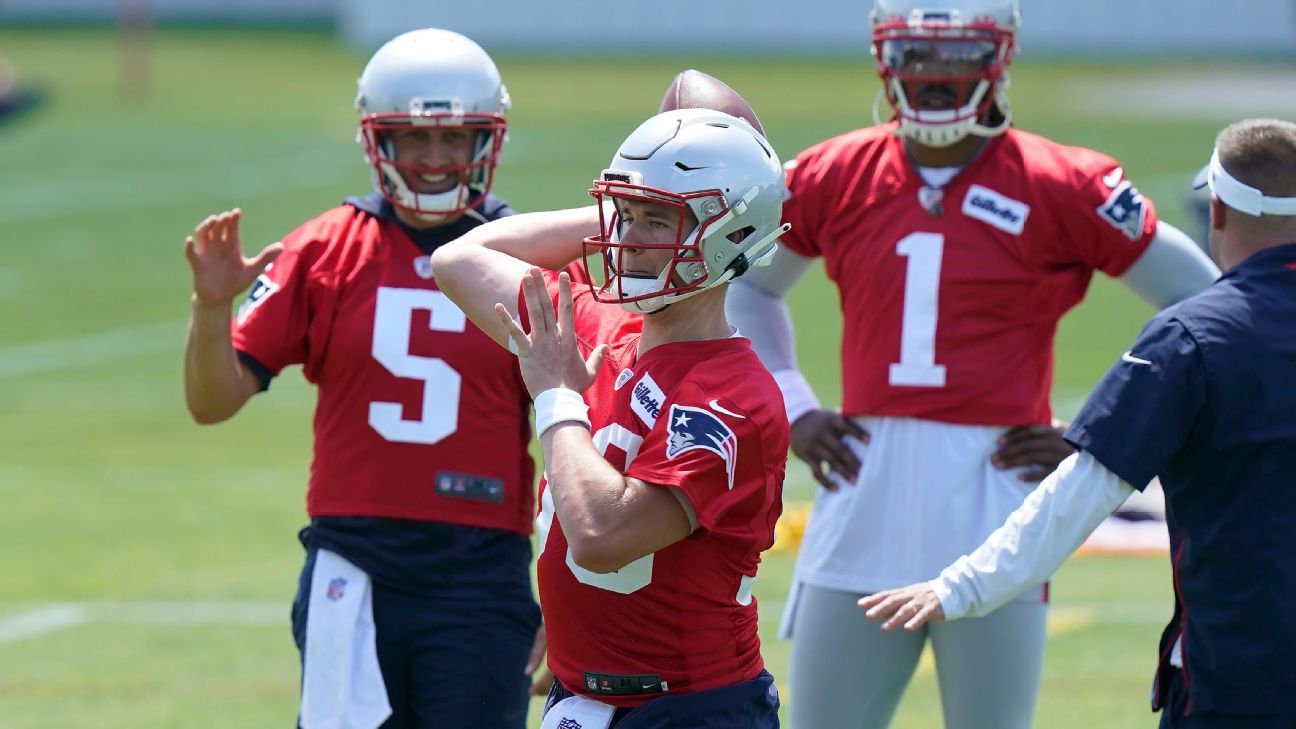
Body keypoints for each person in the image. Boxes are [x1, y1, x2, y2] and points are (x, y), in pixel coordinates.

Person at [724, 1, 1223, 727]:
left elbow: (1206, 301)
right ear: (884, 58)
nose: (933, 77)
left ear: (1000, 57)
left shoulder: (1063, 182)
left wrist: (1104, 429)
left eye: (957, 55)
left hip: (999, 501)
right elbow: (747, 282)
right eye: (917, 56)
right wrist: (795, 405)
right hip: (866, 489)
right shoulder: (835, 171)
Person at [860, 117, 1296, 729]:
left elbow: (1082, 492)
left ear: (1216, 210)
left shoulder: (1191, 337)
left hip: (1242, 674)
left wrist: (960, 587)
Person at [182, 28, 548, 729]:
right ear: (376, 140)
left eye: (456, 138)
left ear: (488, 140)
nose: (435, 159)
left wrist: (565, 603)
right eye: (413, 138)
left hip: (481, 569)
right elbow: (211, 401)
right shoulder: (323, 247)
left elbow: (576, 436)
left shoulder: (527, 258)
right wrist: (210, 307)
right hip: (352, 563)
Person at [431, 107, 790, 728]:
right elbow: (461, 258)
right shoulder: (599, 322)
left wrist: (555, 398)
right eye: (622, 216)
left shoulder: (735, 397)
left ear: (728, 236)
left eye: (657, 222)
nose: (625, 240)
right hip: (580, 697)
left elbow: (602, 538)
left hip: (688, 706)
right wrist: (627, 206)